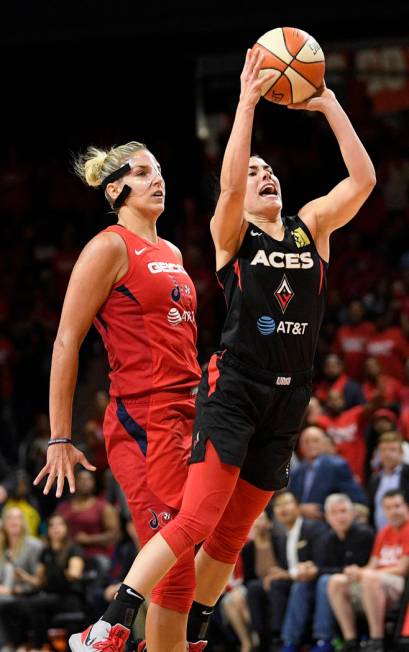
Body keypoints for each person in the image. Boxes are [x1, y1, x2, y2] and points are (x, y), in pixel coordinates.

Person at [67, 46, 376, 652]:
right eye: (256, 171)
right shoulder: (228, 234)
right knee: (197, 520)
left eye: (271, 170)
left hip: (288, 399)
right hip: (233, 389)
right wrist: (248, 102)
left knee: (230, 540)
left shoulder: (313, 225)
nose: (266, 176)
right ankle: (110, 625)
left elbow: (363, 179)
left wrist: (330, 102)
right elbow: (232, 180)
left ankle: (197, 635)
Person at [33, 140, 209, 651]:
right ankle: (105, 630)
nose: (158, 179)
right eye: (143, 172)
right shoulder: (109, 247)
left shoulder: (173, 252)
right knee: (175, 560)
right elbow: (67, 340)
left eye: (159, 170)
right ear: (116, 189)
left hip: (188, 413)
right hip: (143, 418)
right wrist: (59, 436)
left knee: (193, 558)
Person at [279, 493, 374, 652]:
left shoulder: (364, 533)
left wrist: (320, 570)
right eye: (334, 513)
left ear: (352, 513)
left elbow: (356, 568)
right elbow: (323, 566)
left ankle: (324, 639)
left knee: (325, 581)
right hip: (337, 583)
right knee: (302, 584)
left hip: (360, 583)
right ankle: (290, 642)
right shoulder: (329, 538)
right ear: (327, 517)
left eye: (343, 511)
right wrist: (310, 568)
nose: (340, 517)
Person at [328, 489, 409, 652]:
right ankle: (350, 640)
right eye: (388, 508)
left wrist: (366, 574)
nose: (393, 511)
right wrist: (357, 571)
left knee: (369, 578)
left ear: (406, 506)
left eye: (397, 506)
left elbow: (402, 569)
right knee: (336, 581)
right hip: (376, 582)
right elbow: (372, 565)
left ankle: (376, 640)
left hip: (401, 585)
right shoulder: (384, 532)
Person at [246, 491, 326, 651]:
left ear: (298, 507)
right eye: (278, 506)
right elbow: (285, 566)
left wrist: (287, 574)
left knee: (283, 586)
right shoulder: (282, 537)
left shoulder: (312, 528)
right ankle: (262, 639)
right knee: (255, 587)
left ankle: (284, 639)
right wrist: (276, 573)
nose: (282, 509)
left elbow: (318, 563)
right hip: (293, 579)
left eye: (287, 503)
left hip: (312, 579)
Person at [0, 514, 85, 650]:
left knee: (35, 604)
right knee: (8, 607)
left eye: (60, 524)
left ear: (66, 528)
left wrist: (67, 572)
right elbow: (39, 582)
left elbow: (75, 572)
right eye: (52, 525)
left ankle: (38, 647)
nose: (56, 528)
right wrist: (25, 577)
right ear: (48, 530)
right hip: (48, 597)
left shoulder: (74, 549)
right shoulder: (46, 552)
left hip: (69, 597)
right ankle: (19, 646)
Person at [288, 426, 366, 518]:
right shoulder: (297, 471)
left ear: (323, 444)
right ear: (300, 446)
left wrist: (325, 512)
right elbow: (291, 499)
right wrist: (300, 508)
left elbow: (357, 499)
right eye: (306, 441)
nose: (310, 444)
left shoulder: (337, 466)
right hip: (301, 523)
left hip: (327, 523)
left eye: (315, 440)